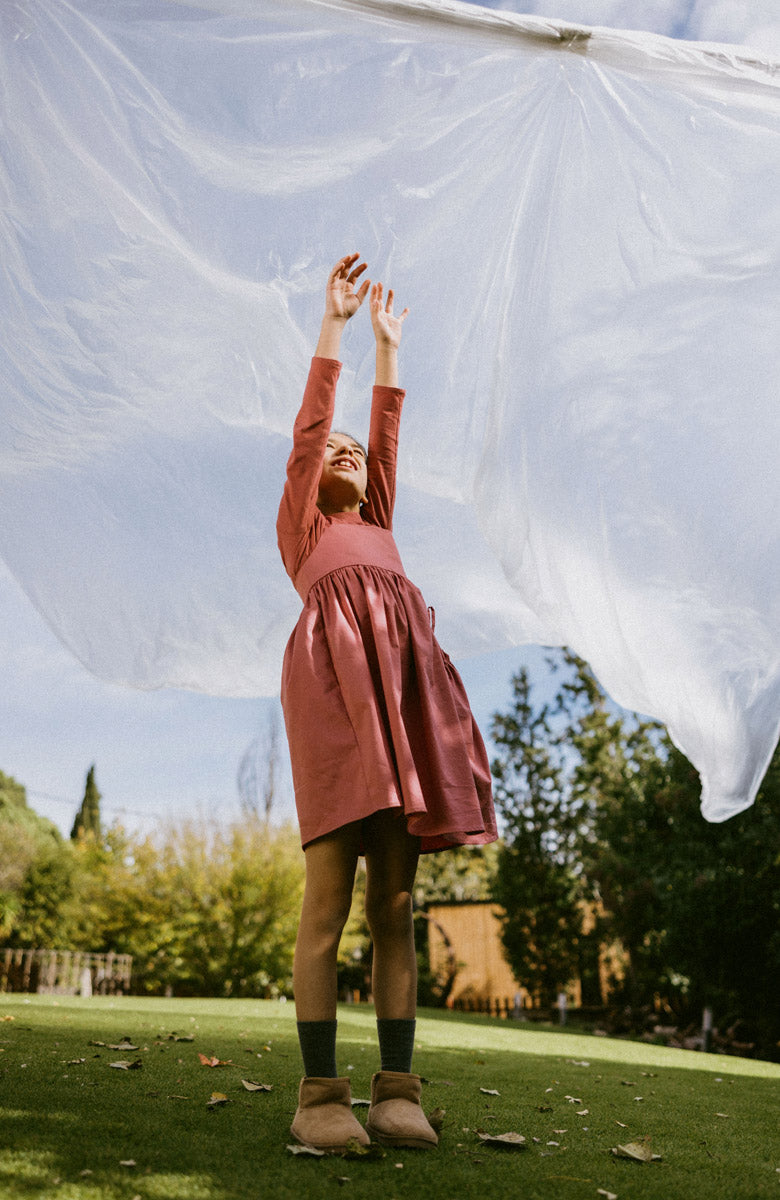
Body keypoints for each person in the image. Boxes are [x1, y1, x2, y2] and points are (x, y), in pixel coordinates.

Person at [277, 253, 497, 1152]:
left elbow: (387, 434)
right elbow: (313, 427)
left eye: (356, 454)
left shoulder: (381, 523)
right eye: (335, 449)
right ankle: (320, 1096)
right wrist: (334, 331)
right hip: (333, 699)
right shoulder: (308, 528)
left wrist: (389, 348)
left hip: (402, 699)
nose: (348, 452)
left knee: (395, 906)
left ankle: (397, 1092)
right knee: (329, 903)